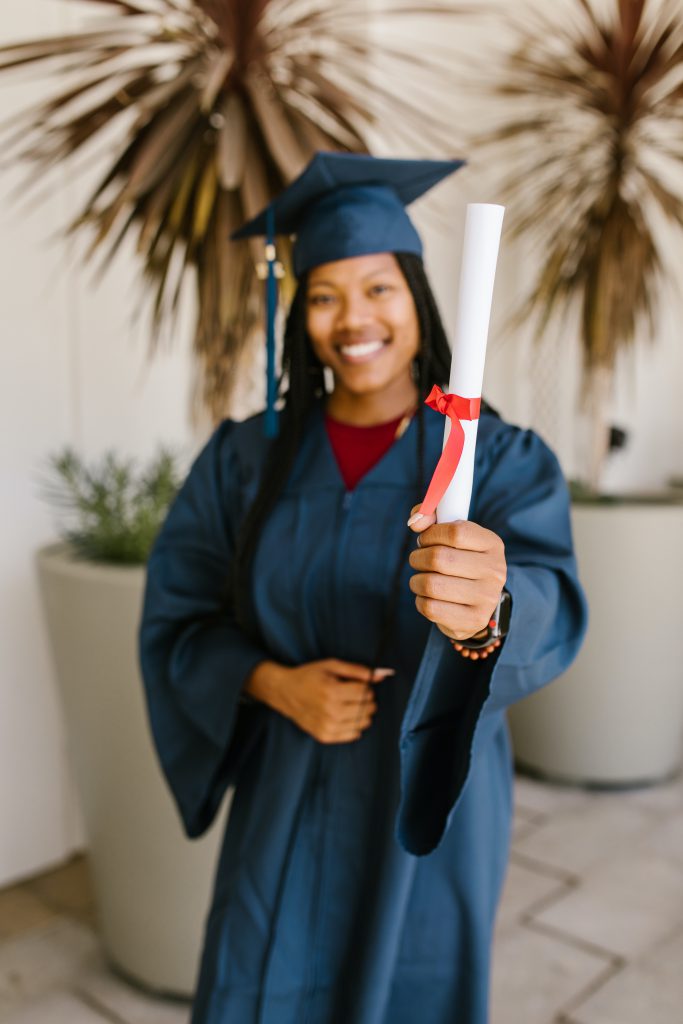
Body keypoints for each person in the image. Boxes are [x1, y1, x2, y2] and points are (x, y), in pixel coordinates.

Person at [138, 152, 587, 1024]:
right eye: (323, 295)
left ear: (418, 298)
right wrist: (270, 682)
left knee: (410, 993)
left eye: (378, 288)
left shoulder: (494, 459)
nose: (354, 319)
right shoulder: (243, 461)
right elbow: (176, 615)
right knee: (255, 981)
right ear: (298, 314)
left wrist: (490, 608)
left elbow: (551, 601)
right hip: (286, 776)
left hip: (423, 792)